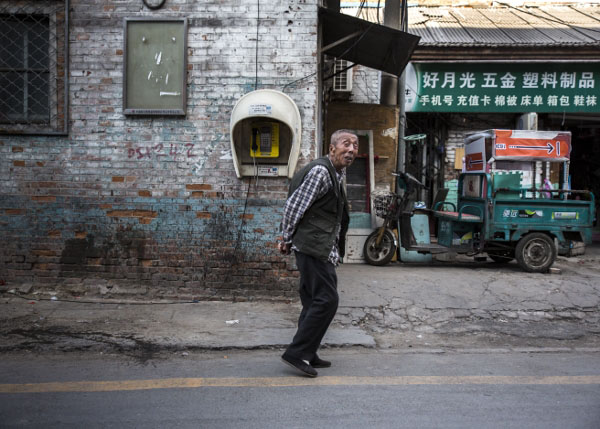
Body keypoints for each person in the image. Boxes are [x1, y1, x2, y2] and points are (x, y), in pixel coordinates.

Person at [278, 129, 358, 377]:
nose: (352, 149)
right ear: (332, 148)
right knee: (327, 300)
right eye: (346, 144)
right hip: (312, 246)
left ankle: (308, 352)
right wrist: (285, 237)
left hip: (319, 246)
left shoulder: (336, 173)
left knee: (314, 301)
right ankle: (297, 352)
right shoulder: (321, 171)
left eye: (356, 146)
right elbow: (295, 206)